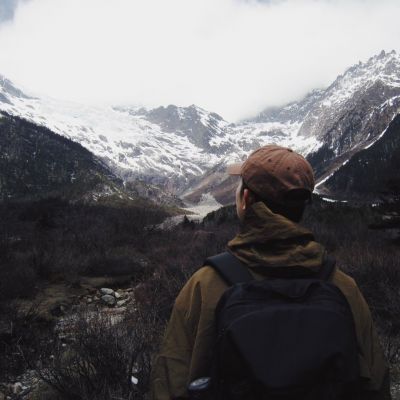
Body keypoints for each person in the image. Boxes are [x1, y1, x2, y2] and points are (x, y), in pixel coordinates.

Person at [150, 145, 391, 400]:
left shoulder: (205, 285)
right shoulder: (342, 285)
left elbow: (171, 380)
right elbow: (375, 382)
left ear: (245, 200)